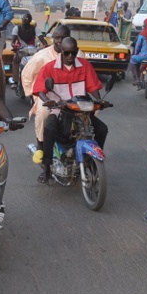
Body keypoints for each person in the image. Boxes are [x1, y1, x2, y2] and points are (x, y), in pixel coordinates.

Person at [33, 37, 107, 184]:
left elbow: (93, 87)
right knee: (49, 129)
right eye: (67, 53)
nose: (70, 57)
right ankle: (46, 168)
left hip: (81, 110)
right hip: (60, 109)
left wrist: (99, 100)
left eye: (73, 53)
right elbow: (40, 88)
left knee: (102, 129)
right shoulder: (50, 68)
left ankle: (92, 160)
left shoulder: (85, 65)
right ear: (61, 51)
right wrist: (47, 100)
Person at [21, 24, 74, 160]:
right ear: (53, 39)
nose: (60, 41)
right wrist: (32, 95)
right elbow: (27, 74)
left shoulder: (77, 54)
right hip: (46, 95)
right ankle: (41, 145)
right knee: (43, 114)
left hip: (71, 96)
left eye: (64, 38)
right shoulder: (42, 56)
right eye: (57, 38)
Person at [11, 13, 38, 89]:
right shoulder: (17, 28)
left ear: (30, 21)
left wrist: (45, 45)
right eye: (23, 19)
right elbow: (13, 41)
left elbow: (42, 39)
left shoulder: (35, 29)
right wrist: (14, 45)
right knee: (16, 59)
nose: (24, 21)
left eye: (26, 19)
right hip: (21, 51)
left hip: (32, 52)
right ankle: (15, 81)